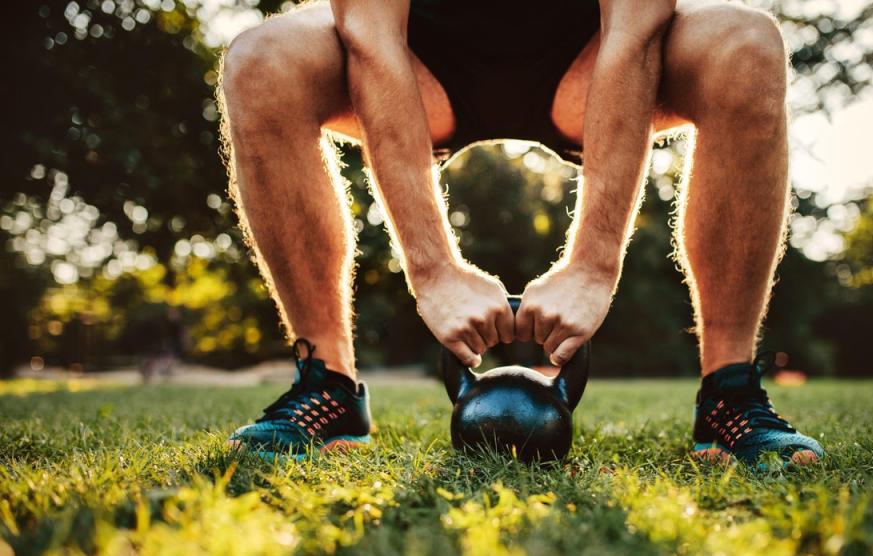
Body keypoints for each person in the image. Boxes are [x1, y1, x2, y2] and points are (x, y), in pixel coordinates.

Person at [217, 0, 824, 465]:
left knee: (747, 46)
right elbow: (370, 38)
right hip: (415, 57)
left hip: (592, 51)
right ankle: (327, 385)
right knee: (261, 62)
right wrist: (433, 272)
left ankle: (729, 389)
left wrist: (592, 265)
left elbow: (635, 32)